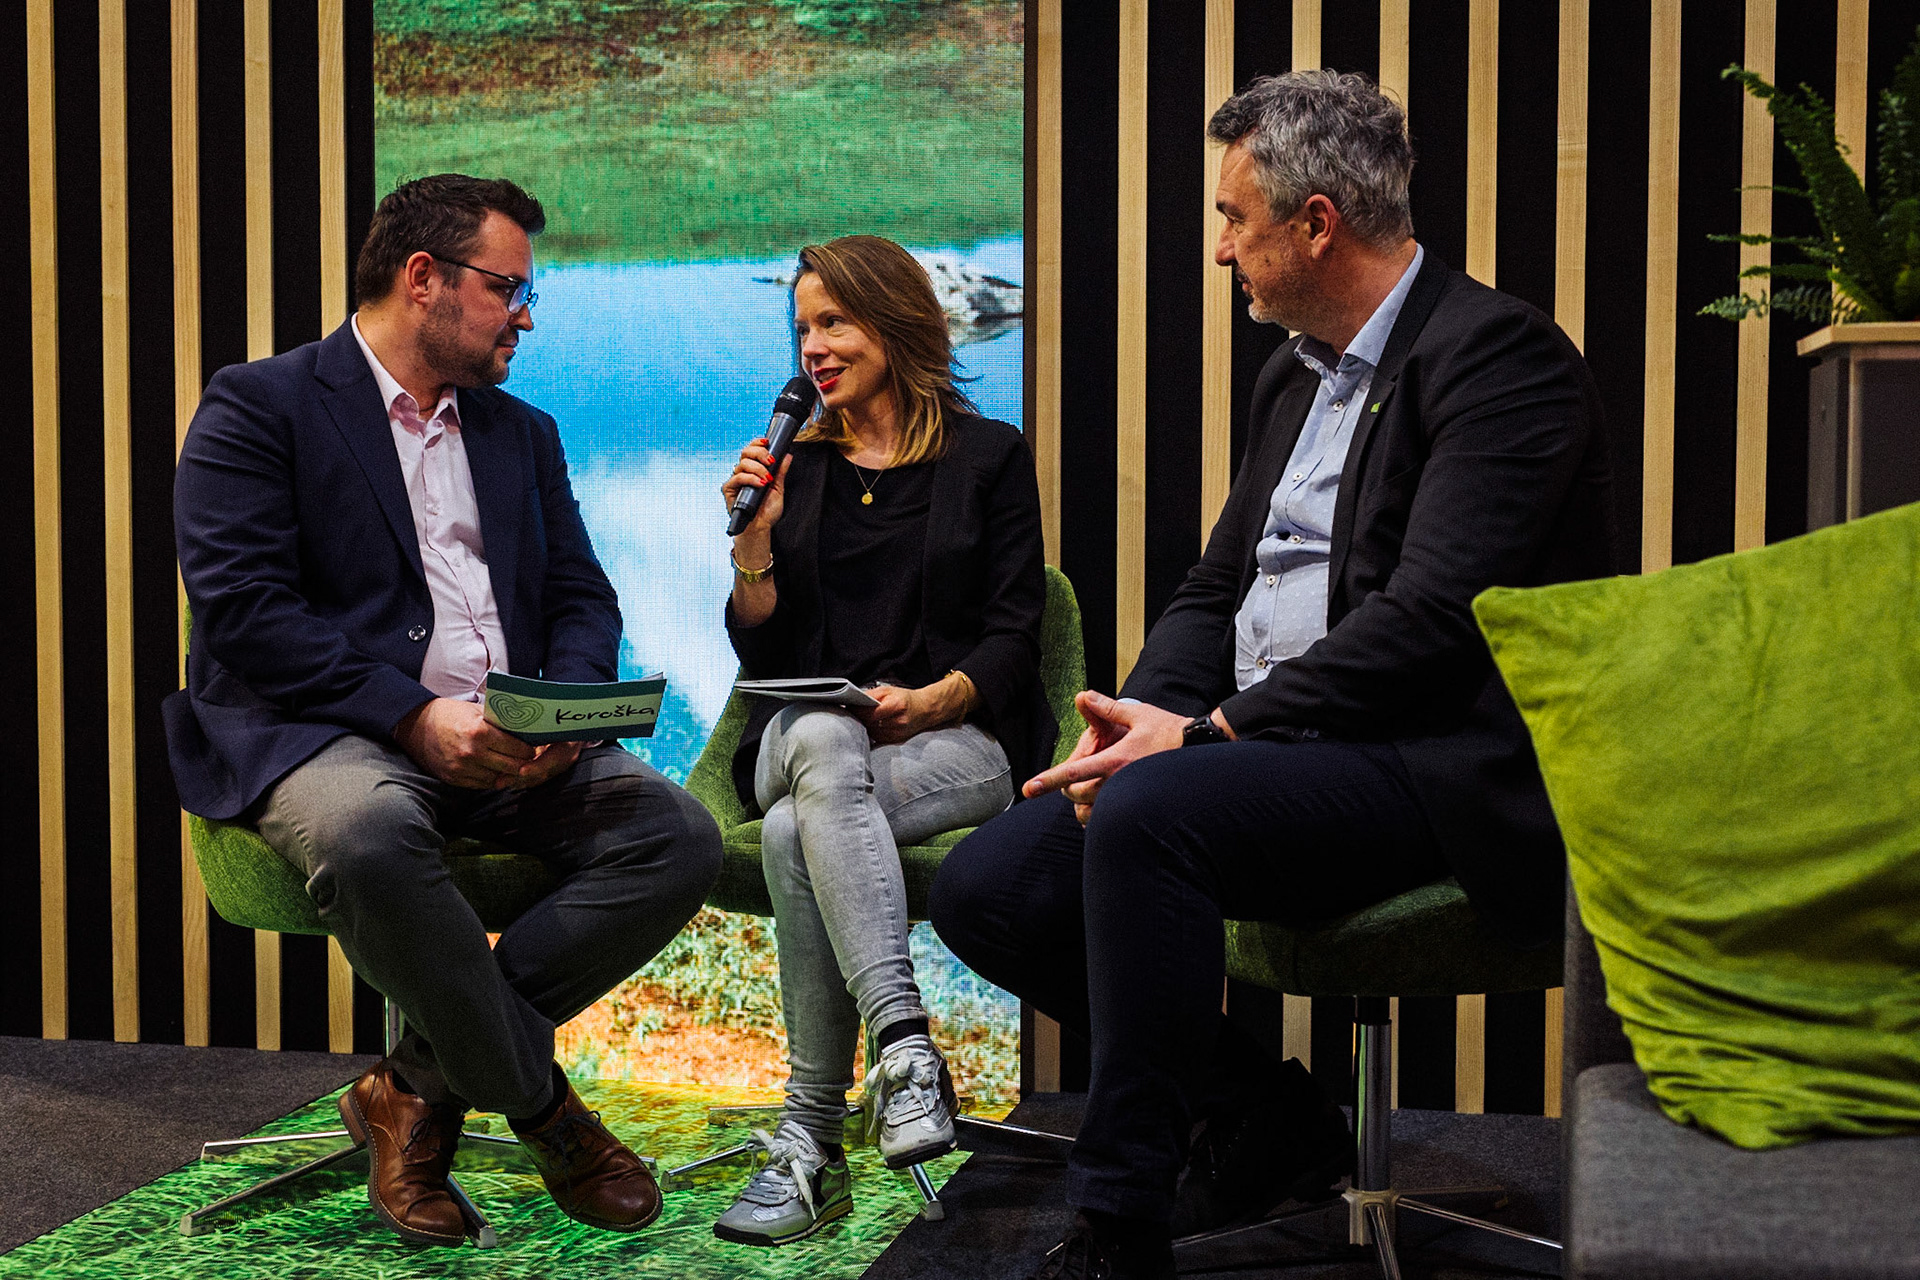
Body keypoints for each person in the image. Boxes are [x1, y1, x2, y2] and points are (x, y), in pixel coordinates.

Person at [929, 71, 1616, 1280]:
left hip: (1434, 763)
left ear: (1316, 224)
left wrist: (1208, 738)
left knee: (1151, 813)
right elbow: (1218, 586)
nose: (1219, 249)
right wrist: (1136, 718)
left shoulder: (1499, 358)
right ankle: (1271, 1117)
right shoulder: (1295, 371)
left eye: (1233, 218)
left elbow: (1432, 621)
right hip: (1271, 748)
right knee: (990, 883)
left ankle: (1119, 1222)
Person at [165, 174, 723, 1247]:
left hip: (512, 742)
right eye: (508, 288)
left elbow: (580, 595)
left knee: (679, 838)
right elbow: (245, 610)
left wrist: (565, 717)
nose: (525, 316)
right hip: (328, 733)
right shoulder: (260, 405)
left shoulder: (523, 431)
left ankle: (411, 1085)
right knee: (368, 831)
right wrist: (413, 717)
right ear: (422, 278)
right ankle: (548, 1112)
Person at [711, 234, 1052, 1246]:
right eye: (802, 328)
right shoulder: (798, 466)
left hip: (954, 742)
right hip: (803, 737)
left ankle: (807, 1142)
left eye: (834, 323)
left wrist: (937, 698)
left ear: (896, 323)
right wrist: (755, 542)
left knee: (792, 835)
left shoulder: (990, 457)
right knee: (821, 736)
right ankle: (907, 1047)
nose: (812, 347)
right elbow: (759, 646)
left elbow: (1016, 634)